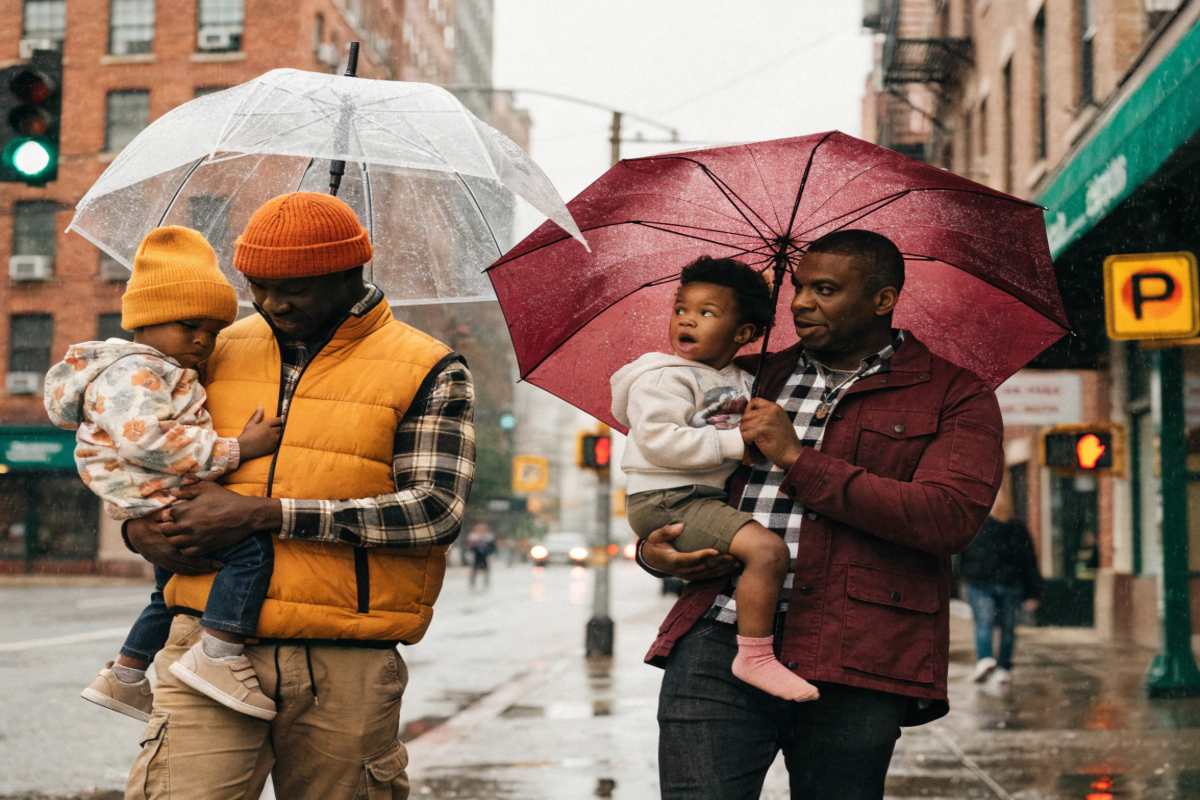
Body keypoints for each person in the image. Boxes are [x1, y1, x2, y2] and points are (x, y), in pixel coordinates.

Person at [120, 192, 475, 799]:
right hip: (203, 644)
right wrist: (138, 528)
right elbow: (137, 444)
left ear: (350, 273)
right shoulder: (211, 345)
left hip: (346, 660)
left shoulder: (428, 367)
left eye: (294, 287)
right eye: (257, 285)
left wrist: (269, 514)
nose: (271, 302)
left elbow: (433, 511)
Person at [637, 230, 1004, 799]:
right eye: (801, 287)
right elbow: (681, 478)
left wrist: (795, 459)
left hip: (858, 651)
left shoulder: (954, 394)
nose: (801, 304)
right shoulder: (746, 376)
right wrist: (656, 550)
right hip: (718, 639)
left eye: (825, 290)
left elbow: (947, 518)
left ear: (882, 300)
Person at [44, 227, 282, 723]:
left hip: (155, 496)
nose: (203, 339)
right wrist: (239, 448)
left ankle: (126, 675)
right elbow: (148, 442)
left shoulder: (162, 369)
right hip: (162, 494)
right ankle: (219, 655)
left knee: (168, 594)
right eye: (189, 324)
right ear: (147, 320)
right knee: (251, 552)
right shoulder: (135, 373)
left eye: (214, 331)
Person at [612, 256, 817, 702]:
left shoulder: (742, 378)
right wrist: (732, 446)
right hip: (668, 498)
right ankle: (755, 656)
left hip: (695, 495)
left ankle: (755, 652)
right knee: (766, 550)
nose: (686, 320)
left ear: (743, 333)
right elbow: (658, 441)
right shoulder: (663, 378)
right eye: (681, 308)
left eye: (707, 313)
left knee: (758, 552)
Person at [959, 477, 1041, 685]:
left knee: (986, 625)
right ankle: (1000, 666)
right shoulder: (1014, 526)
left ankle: (988, 661)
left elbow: (961, 553)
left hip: (986, 582)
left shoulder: (977, 523)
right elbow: (1028, 561)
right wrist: (1032, 591)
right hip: (1003, 583)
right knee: (1005, 627)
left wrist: (963, 576)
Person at [467, 522, 496, 588]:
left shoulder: (488, 536)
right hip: (476, 554)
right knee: (474, 567)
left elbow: (492, 545)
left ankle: (486, 580)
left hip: (484, 554)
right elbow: (470, 546)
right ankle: (472, 580)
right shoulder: (473, 536)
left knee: (486, 567)